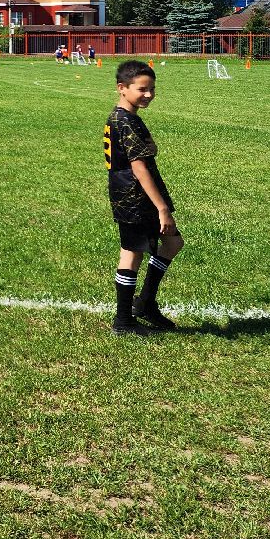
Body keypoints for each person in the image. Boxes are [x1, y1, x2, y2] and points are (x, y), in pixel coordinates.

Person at [103, 60, 182, 334]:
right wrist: (162, 208)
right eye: (142, 89)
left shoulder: (122, 117)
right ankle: (124, 320)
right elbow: (139, 167)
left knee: (172, 243)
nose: (148, 94)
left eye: (152, 89)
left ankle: (145, 302)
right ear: (122, 88)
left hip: (131, 193)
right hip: (134, 197)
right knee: (132, 253)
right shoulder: (125, 122)